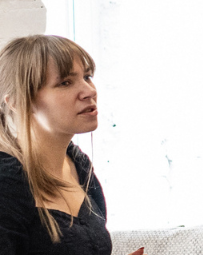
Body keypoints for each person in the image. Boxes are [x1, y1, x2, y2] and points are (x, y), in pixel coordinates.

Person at [0, 35, 142, 255]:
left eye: (87, 76)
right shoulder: (6, 180)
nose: (89, 91)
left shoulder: (80, 165)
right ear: (18, 102)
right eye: (65, 82)